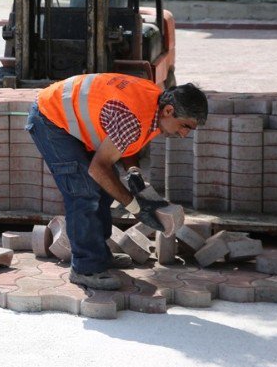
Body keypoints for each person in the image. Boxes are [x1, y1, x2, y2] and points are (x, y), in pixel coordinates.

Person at [26, 73, 207, 290]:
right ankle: (86, 268)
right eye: (185, 126)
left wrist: (133, 172)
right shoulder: (135, 118)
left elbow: (126, 141)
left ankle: (98, 256)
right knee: (84, 192)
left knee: (102, 190)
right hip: (50, 118)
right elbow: (98, 168)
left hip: (70, 115)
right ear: (169, 111)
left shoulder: (156, 101)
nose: (184, 134)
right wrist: (136, 207)